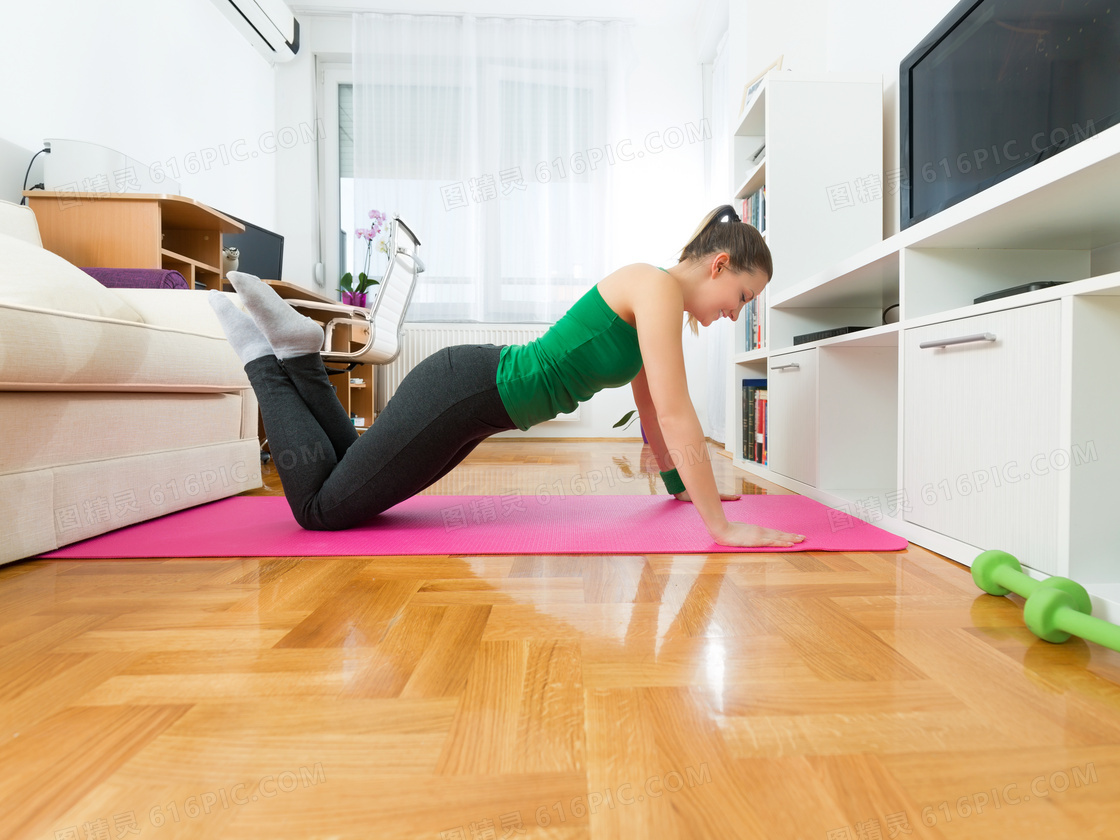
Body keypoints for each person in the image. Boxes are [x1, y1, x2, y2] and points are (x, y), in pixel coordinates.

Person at [208, 204, 806, 548]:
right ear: (720, 264)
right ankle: (267, 359)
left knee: (343, 475)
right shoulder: (655, 289)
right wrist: (721, 527)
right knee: (318, 510)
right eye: (741, 295)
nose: (735, 312)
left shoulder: (656, 302)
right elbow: (678, 414)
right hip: (462, 391)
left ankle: (302, 356)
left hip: (471, 403)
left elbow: (653, 412)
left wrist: (682, 490)